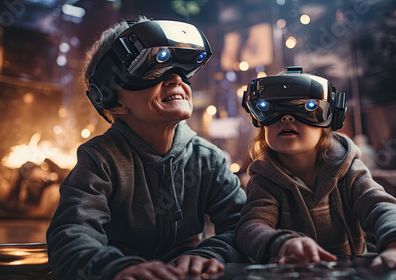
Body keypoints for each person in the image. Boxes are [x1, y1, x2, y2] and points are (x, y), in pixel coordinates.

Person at [46, 16, 247, 280]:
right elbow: (71, 233)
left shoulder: (208, 159)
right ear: (112, 100)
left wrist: (207, 256)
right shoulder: (100, 159)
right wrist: (115, 267)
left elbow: (241, 227)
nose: (176, 79)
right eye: (152, 71)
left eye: (181, 72)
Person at [236, 66, 396, 275]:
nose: (286, 118)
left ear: (331, 119)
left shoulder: (348, 170)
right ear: (259, 121)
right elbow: (251, 227)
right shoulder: (264, 178)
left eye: (307, 108)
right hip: (293, 273)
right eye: (272, 109)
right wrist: (280, 244)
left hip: (348, 273)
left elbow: (380, 206)